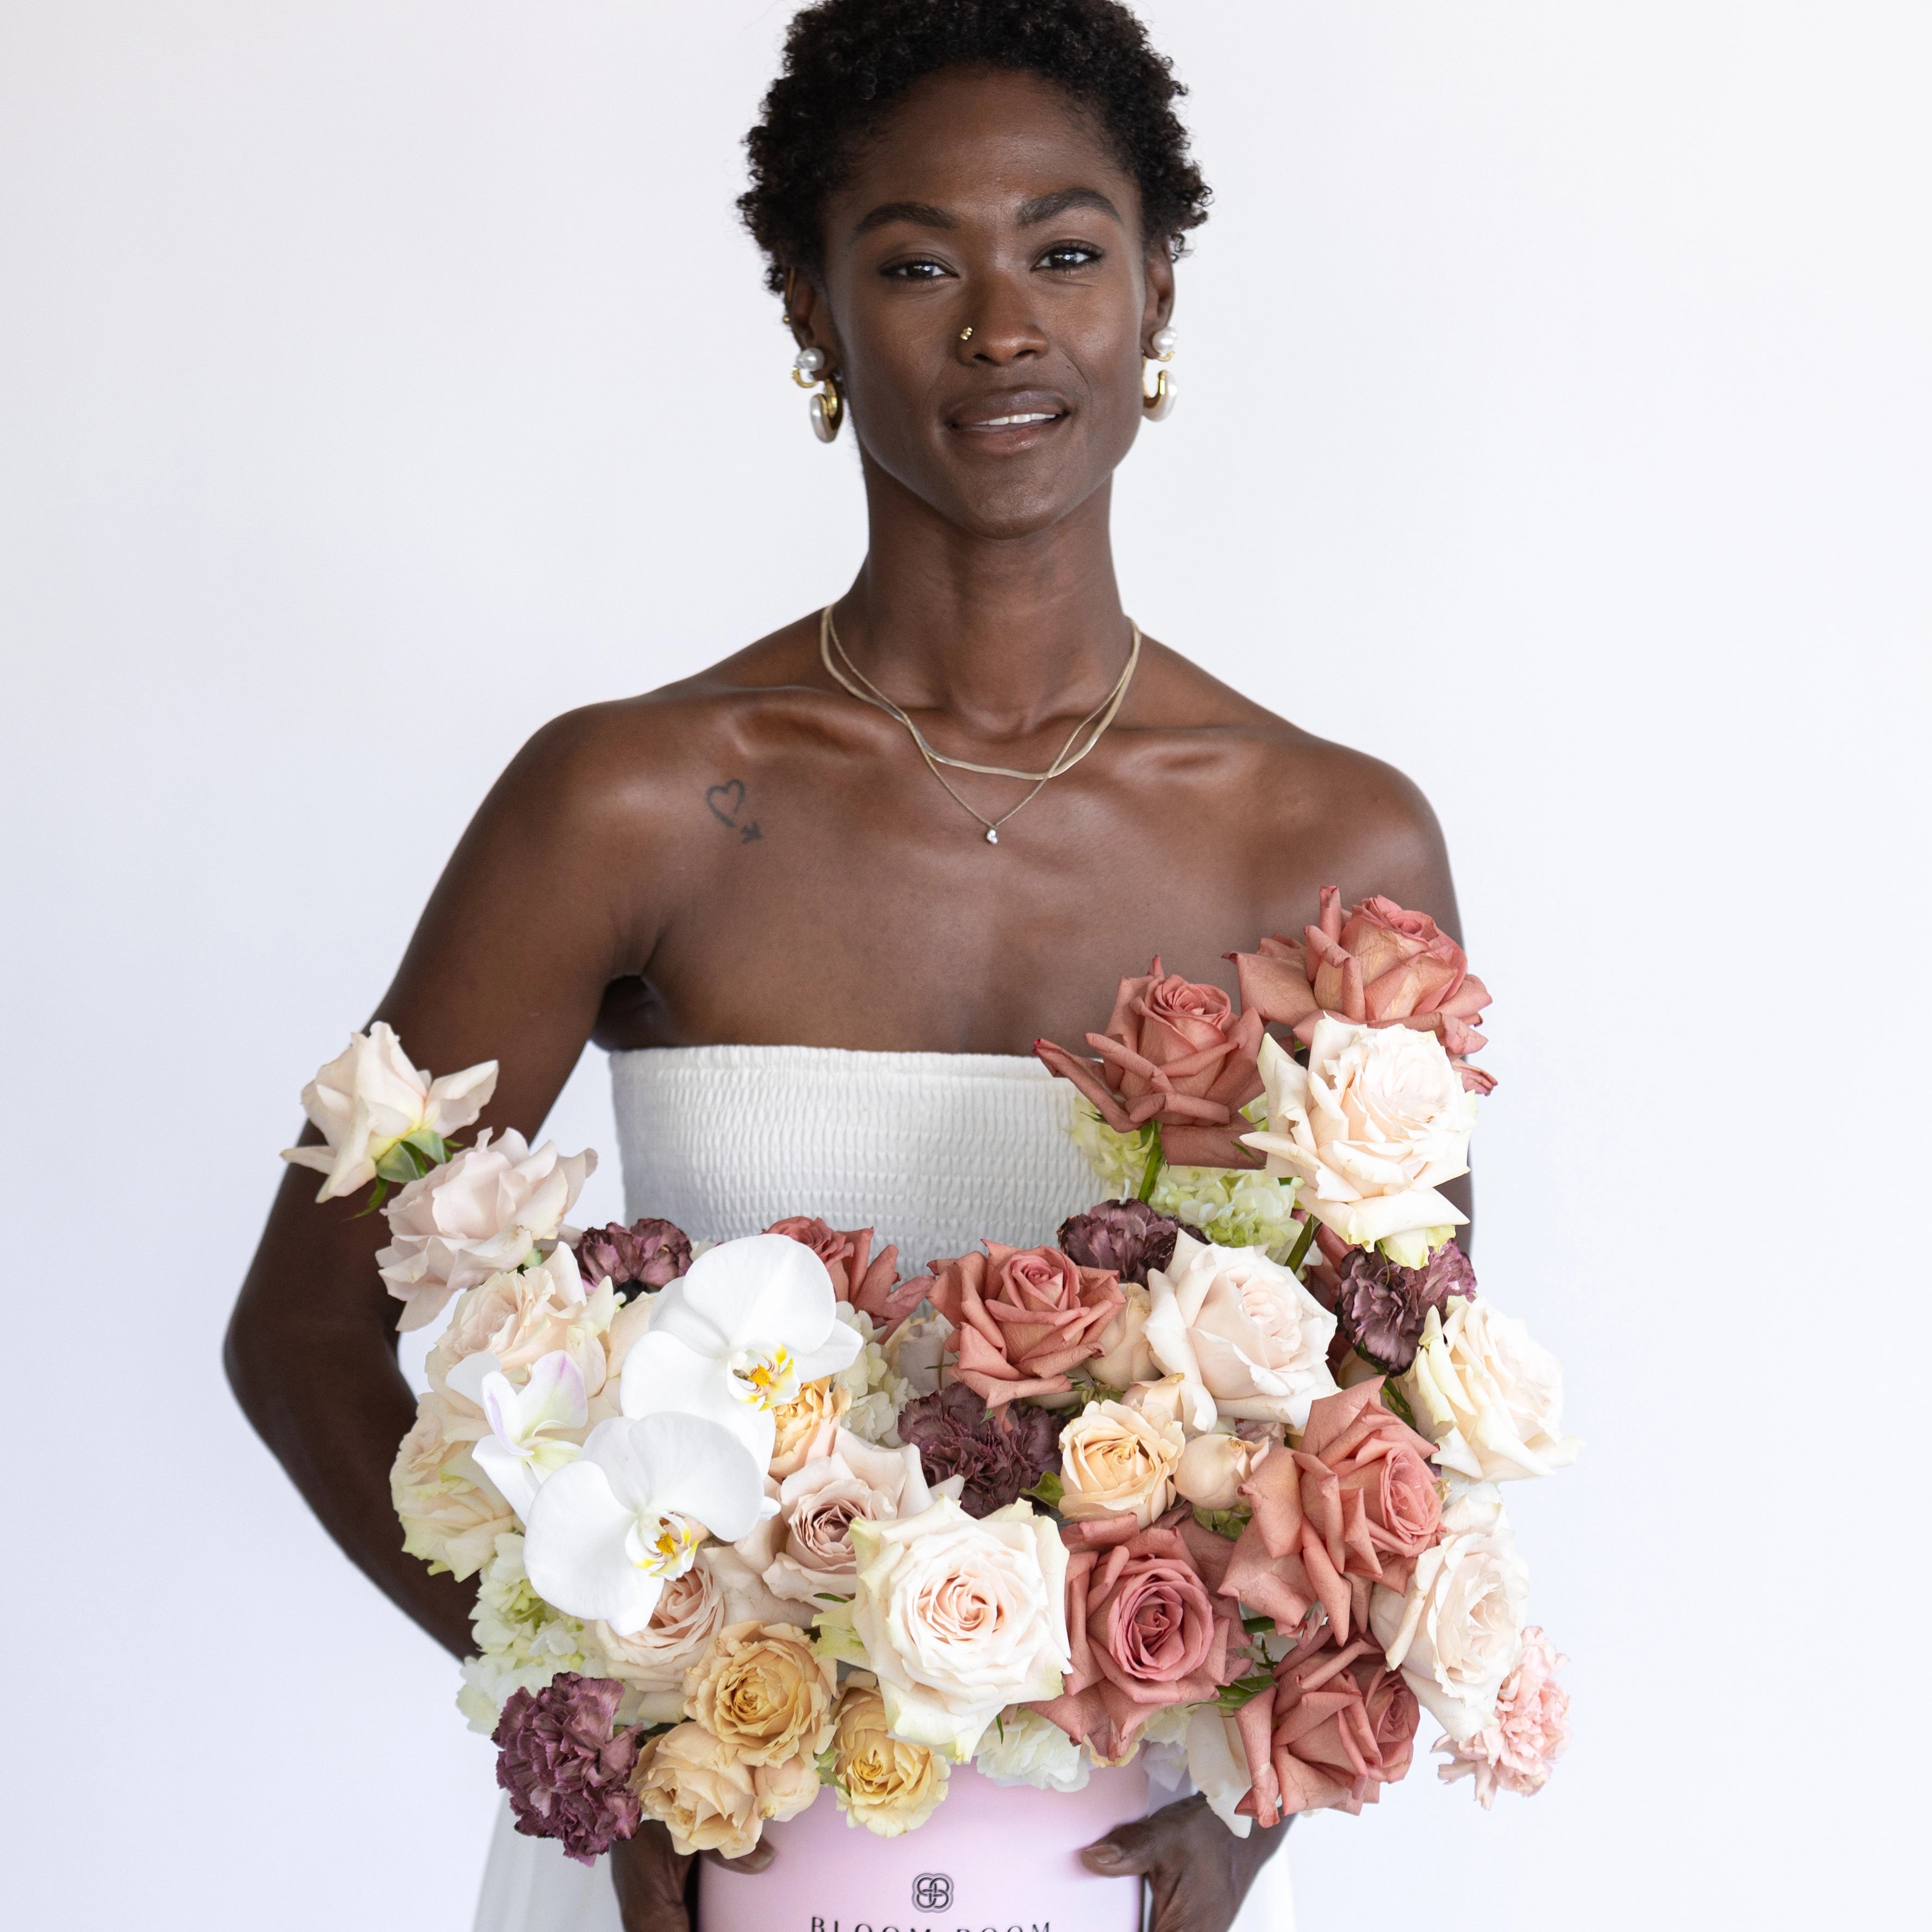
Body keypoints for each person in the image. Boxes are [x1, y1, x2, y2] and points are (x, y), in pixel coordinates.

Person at [226, 3, 1470, 1927]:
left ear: (1156, 293)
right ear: (809, 315)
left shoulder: (1329, 844)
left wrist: (1257, 1805)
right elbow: (302, 1329)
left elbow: (1408, 1417)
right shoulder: (630, 799)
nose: (1000, 326)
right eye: (913, 262)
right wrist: (601, 1729)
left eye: (1065, 250)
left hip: (1105, 1865)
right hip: (695, 1858)